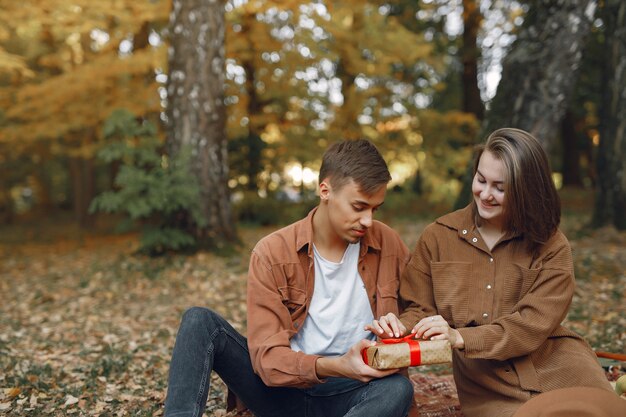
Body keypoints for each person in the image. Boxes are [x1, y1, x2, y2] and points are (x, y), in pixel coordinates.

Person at [368, 128, 613, 417]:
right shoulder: (438, 236)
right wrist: (400, 328)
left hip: (558, 365)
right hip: (486, 383)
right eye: (481, 180)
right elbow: (419, 308)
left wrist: (462, 338)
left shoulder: (551, 244)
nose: (485, 194)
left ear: (526, 189)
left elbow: (531, 324)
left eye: (500, 187)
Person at [164, 139, 414, 417]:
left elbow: (420, 308)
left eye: (375, 209)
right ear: (325, 190)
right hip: (282, 392)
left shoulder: (388, 242)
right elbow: (267, 361)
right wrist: (337, 364)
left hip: (355, 389)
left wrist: (401, 325)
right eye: (359, 207)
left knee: (398, 389)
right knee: (199, 320)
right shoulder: (272, 252)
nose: (368, 220)